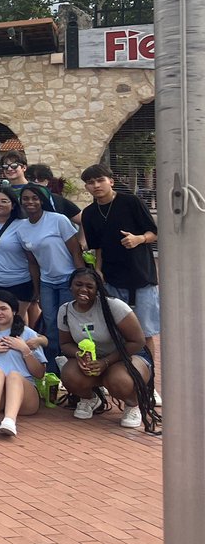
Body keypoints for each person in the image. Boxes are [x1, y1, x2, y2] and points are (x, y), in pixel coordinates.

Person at [78, 164, 160, 387]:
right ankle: (119, 381)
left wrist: (138, 239)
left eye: (100, 180)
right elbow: (98, 249)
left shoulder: (130, 202)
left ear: (111, 181)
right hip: (112, 281)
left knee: (144, 334)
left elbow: (154, 232)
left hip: (140, 279)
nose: (96, 186)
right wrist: (99, 272)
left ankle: (148, 384)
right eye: (91, 182)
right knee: (116, 334)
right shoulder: (90, 213)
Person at [57, 268, 156, 431]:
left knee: (118, 381)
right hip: (95, 360)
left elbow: (137, 341)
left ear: (97, 289)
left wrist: (106, 362)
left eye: (89, 286)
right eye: (78, 284)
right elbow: (65, 344)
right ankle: (90, 399)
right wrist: (79, 355)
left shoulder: (113, 306)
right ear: (70, 287)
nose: (83, 290)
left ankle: (133, 404)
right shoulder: (65, 310)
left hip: (127, 356)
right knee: (69, 374)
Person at [14, 183, 83, 369]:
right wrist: (36, 290)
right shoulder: (22, 228)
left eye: (35, 198)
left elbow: (76, 252)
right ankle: (53, 366)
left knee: (67, 323)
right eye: (26, 198)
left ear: (42, 200)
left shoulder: (58, 220)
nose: (30, 202)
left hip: (69, 279)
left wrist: (81, 280)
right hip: (47, 282)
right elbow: (32, 262)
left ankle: (73, 363)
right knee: (51, 323)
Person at [0, 291, 47, 436]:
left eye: (3, 308)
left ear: (14, 310)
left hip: (24, 396)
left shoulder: (28, 334)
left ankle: (9, 420)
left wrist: (24, 350)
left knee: (14, 375)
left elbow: (40, 374)